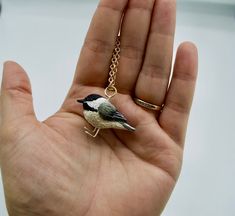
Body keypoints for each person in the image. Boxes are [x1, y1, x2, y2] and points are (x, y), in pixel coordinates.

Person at [0, 0, 198, 215]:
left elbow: (115, 118)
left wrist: (123, 124)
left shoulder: (102, 110)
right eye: (85, 104)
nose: (85, 106)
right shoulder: (90, 110)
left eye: (87, 104)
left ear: (96, 105)